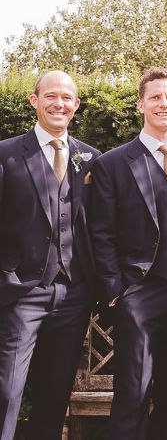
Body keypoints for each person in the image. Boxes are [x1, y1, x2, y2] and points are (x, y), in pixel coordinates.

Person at [87, 67, 167, 440]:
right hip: (137, 293)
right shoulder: (113, 163)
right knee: (133, 393)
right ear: (141, 103)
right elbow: (101, 232)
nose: (164, 103)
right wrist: (116, 293)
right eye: (156, 97)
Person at [0, 70, 100, 440]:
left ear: (76, 104)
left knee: (54, 396)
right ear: (34, 101)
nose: (59, 104)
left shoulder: (91, 158)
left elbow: (100, 226)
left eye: (66, 98)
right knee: (7, 392)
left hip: (73, 295)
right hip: (20, 293)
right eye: (50, 96)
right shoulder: (7, 154)